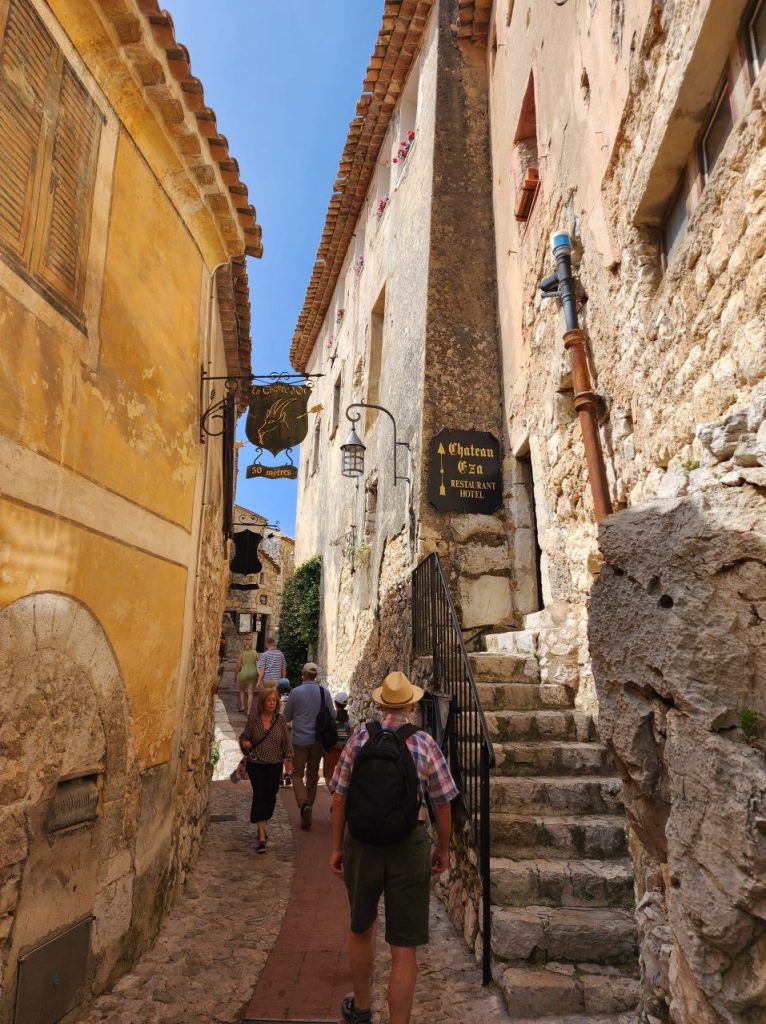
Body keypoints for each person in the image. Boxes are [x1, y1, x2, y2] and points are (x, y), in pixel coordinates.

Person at [328, 671, 458, 1024]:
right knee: (403, 947)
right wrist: (442, 849)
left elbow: (338, 798)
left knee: (361, 928)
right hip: (408, 844)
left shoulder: (360, 738)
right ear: (411, 706)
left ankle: (362, 1009)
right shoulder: (425, 743)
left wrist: (337, 848)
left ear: (382, 705)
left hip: (362, 843)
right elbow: (443, 802)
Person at [240, 687, 293, 853]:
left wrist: (288, 760)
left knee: (271, 795)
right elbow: (244, 737)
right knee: (259, 794)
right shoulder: (254, 719)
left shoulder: (280, 720)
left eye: (274, 700)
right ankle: (262, 836)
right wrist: (245, 743)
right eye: (268, 700)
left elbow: (286, 742)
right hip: (256, 764)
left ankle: (263, 820)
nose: (272, 703)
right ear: (262, 702)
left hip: (274, 764)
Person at [283, 662, 336, 829]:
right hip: (317, 742)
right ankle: (309, 807)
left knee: (297, 774)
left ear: (304, 674)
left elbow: (287, 716)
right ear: (315, 675)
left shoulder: (296, 692)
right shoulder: (324, 692)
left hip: (299, 741)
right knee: (313, 775)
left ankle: (303, 804)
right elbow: (333, 715)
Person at [323, 691, 351, 786]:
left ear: (335, 703)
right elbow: (351, 735)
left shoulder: (331, 716)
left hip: (331, 748)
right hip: (344, 750)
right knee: (342, 773)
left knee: (328, 775)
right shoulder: (350, 718)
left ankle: (331, 792)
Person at [234, 638, 258, 715]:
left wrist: (235, 676)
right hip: (253, 673)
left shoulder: (242, 653)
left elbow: (238, 666)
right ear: (251, 645)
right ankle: (248, 711)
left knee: (242, 691)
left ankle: (242, 707)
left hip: (243, 673)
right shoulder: (255, 653)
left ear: (244, 645)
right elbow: (259, 664)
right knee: (250, 693)